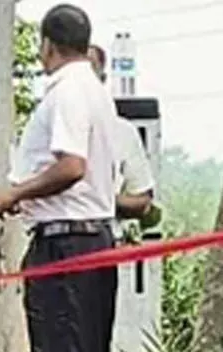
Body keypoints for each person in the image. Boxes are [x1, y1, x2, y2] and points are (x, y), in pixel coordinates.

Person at [0, 4, 120, 352]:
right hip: (88, 237)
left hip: (68, 241)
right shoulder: (97, 91)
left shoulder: (67, 91)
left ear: (46, 45)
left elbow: (71, 166)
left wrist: (16, 193)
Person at [86, 44, 156, 228]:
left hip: (102, 239)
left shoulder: (122, 132)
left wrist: (101, 201)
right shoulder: (46, 127)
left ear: (102, 79)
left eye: (89, 68)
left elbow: (142, 201)